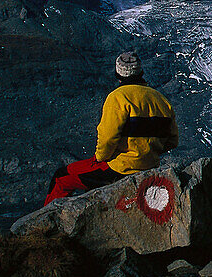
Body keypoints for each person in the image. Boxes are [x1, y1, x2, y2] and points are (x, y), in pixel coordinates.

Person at [44, 51, 178, 205]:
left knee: (62, 177)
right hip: (149, 165)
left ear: (118, 74)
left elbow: (108, 137)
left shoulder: (118, 97)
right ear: (141, 72)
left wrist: (100, 157)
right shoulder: (161, 100)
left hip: (120, 168)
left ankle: (48, 221)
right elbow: (173, 141)